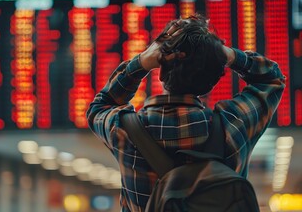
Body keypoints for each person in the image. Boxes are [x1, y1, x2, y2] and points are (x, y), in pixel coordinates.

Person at [86, 14, 285, 211]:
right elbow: (270, 79)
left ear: (161, 72)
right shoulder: (233, 124)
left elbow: (100, 107)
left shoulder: (125, 131)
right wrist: (224, 54)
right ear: (213, 80)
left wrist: (140, 63)